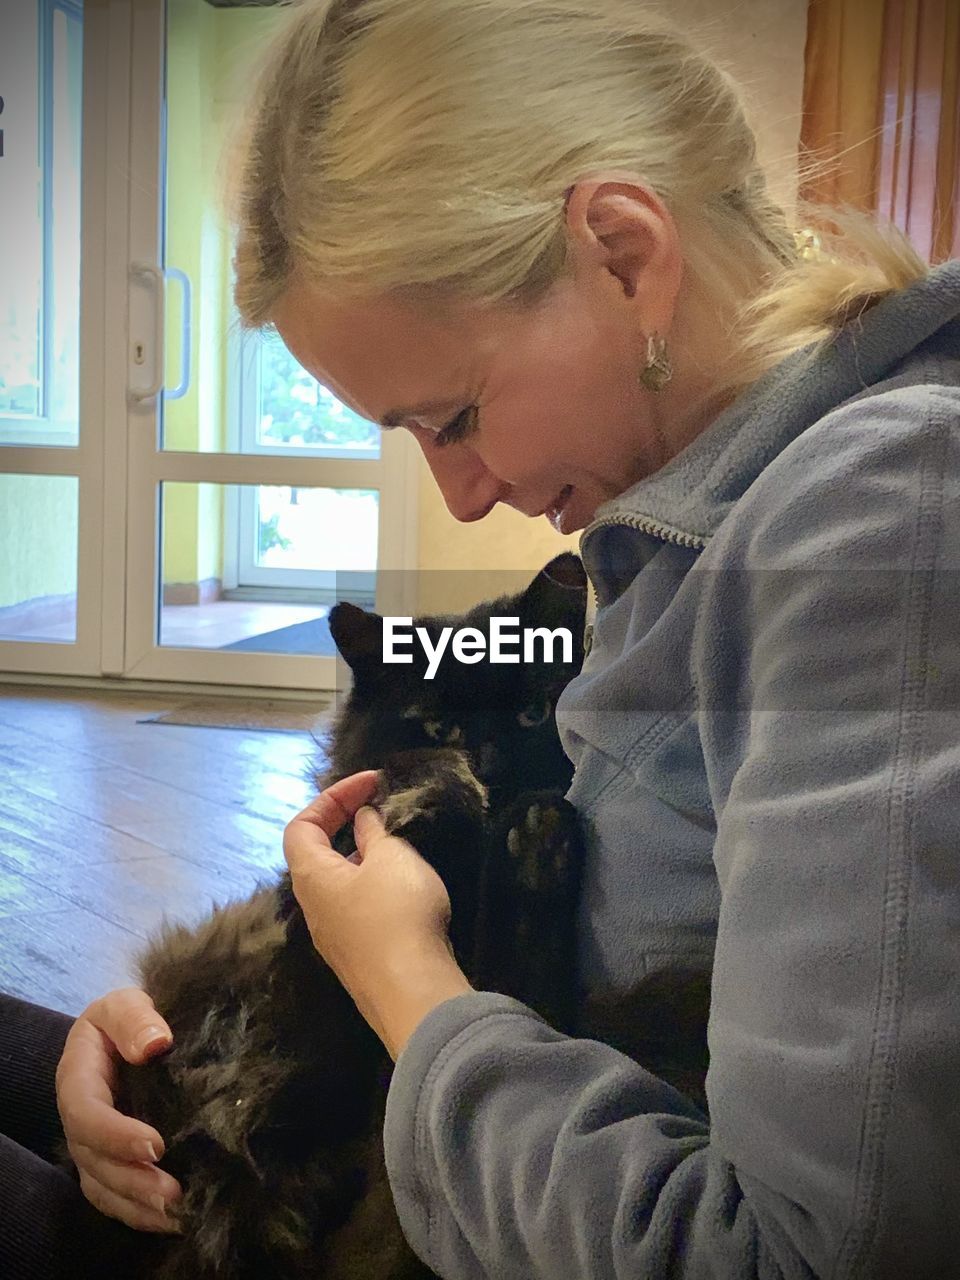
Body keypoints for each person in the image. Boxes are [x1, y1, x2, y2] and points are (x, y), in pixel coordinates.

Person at [5, 0, 959, 1275]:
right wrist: (163, 1043)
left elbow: (800, 1256)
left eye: (453, 415)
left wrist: (406, 985)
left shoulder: (872, 523)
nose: (459, 494)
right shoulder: (704, 533)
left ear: (624, 253)